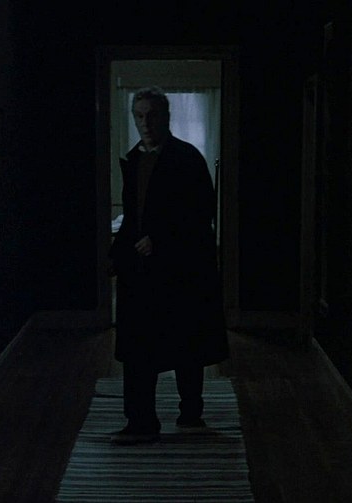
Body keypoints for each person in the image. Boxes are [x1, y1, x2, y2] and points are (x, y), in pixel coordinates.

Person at [108, 86, 229, 445]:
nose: (145, 123)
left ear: (166, 117)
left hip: (182, 269)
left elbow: (202, 212)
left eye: (152, 115)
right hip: (141, 271)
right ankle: (140, 420)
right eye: (139, 116)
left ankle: (190, 413)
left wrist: (161, 239)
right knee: (138, 346)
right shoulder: (134, 159)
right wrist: (118, 255)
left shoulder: (187, 158)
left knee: (186, 341)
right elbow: (134, 216)